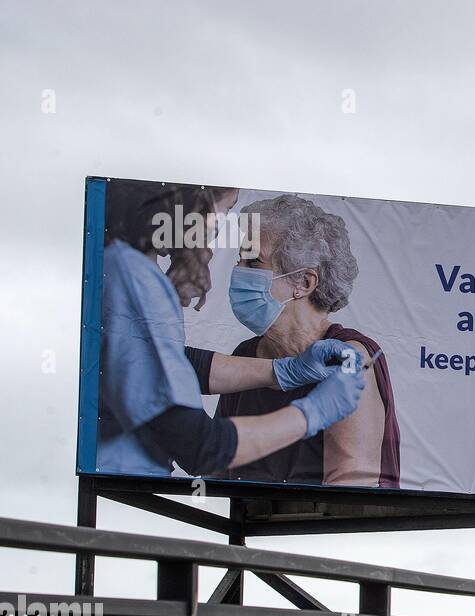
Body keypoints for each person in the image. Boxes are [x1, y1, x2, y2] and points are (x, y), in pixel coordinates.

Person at [97, 181, 368, 479]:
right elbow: (200, 448)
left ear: (305, 283)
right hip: (123, 471)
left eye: (253, 260)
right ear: (193, 208)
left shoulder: (351, 350)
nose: (219, 227)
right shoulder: (135, 280)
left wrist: (282, 371)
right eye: (224, 210)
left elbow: (163, 363)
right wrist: (312, 413)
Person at [215, 194, 400, 488]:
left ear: (304, 283)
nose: (239, 270)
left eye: (254, 261)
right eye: (240, 258)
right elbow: (217, 468)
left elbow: (349, 490)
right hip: (247, 530)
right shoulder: (246, 354)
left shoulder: (347, 356)